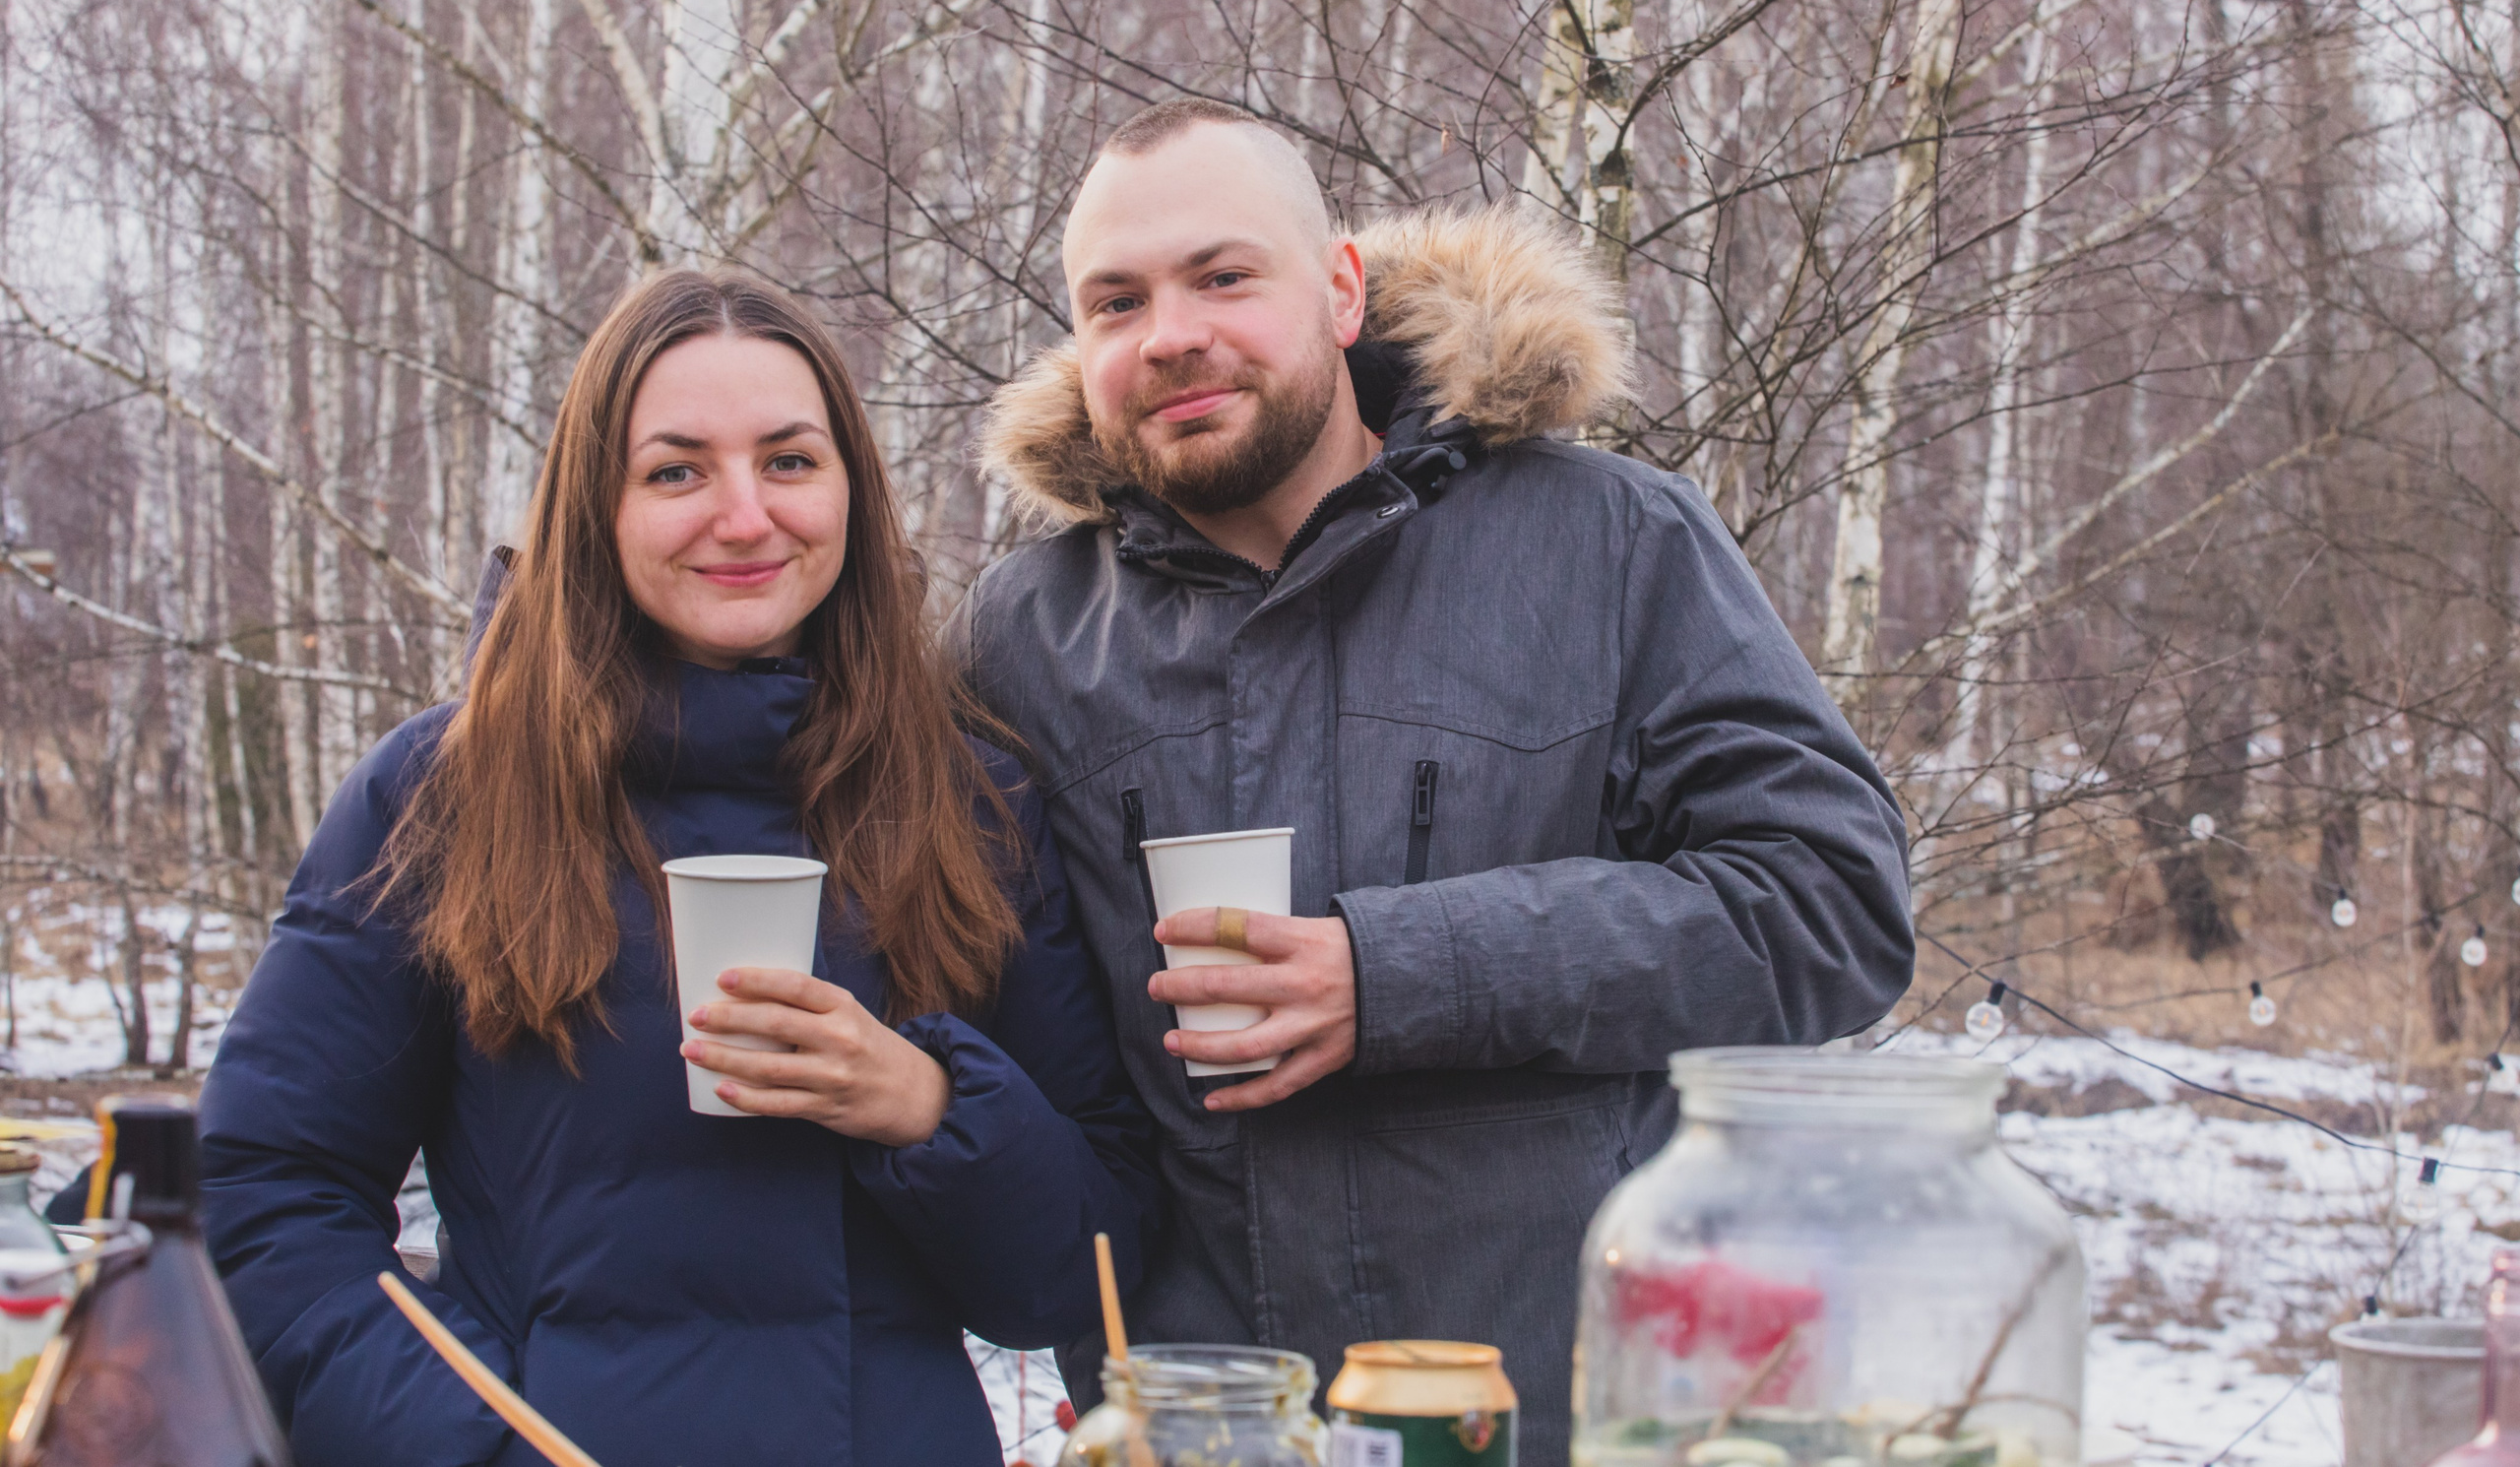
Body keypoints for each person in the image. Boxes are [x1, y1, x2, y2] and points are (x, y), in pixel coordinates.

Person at [954, 98, 1916, 1463]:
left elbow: (1833, 906)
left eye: (1225, 276)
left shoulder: (1613, 545)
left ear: (1342, 288)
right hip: (1208, 1427)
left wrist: (1397, 972)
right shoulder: (1022, 634)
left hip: (1563, 1415)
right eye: (1117, 300)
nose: (1170, 332)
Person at [198, 271, 1159, 1467]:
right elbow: (267, 1196)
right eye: (676, 470)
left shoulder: (968, 798)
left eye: (791, 461)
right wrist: (479, 1445)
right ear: (594, 507)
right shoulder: (445, 791)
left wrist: (928, 1108)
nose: (745, 515)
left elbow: (1080, 1275)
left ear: (851, 489)